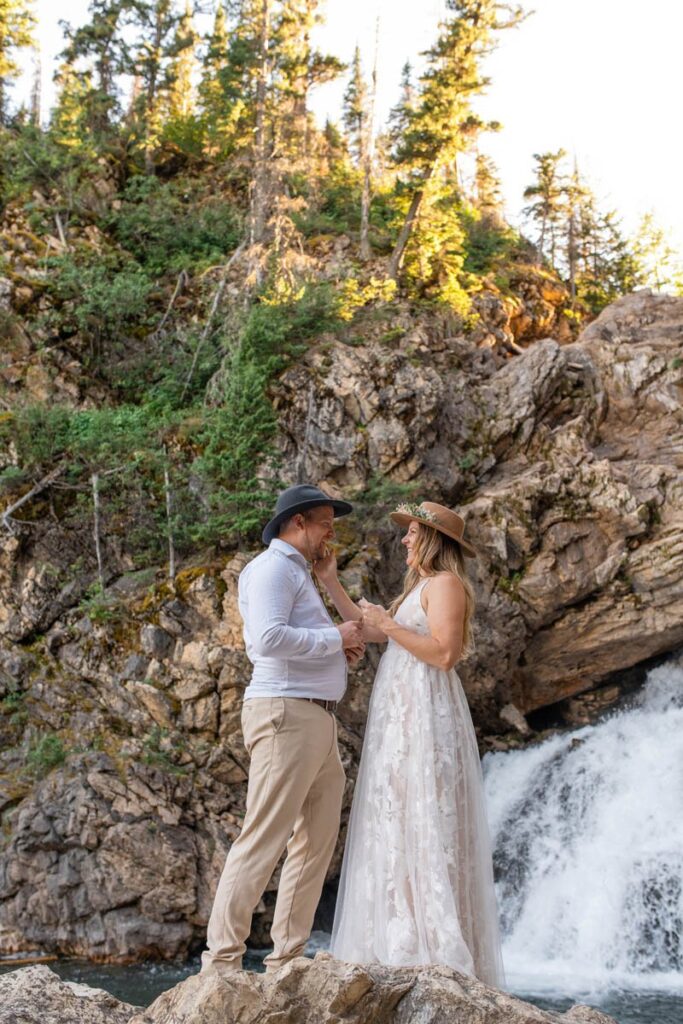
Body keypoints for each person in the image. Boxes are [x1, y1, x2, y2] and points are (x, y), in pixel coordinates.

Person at [315, 500, 505, 988]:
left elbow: (443, 654)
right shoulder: (419, 587)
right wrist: (331, 580)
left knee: (425, 809)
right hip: (401, 713)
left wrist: (392, 624)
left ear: (433, 540)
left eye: (413, 533)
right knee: (395, 810)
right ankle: (397, 932)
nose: (404, 539)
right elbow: (368, 628)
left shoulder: (445, 585)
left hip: (427, 710)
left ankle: (430, 941)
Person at [200, 484, 365, 976]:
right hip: (285, 714)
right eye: (325, 524)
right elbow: (267, 640)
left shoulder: (298, 572)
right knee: (263, 836)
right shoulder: (272, 568)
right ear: (298, 523)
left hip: (314, 718)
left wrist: (337, 648)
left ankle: (287, 958)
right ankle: (222, 962)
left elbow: (298, 638)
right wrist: (335, 637)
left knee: (316, 841)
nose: (331, 533)